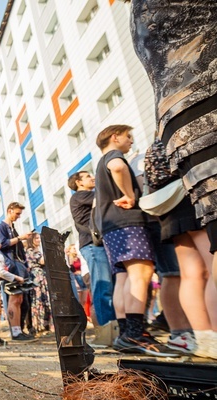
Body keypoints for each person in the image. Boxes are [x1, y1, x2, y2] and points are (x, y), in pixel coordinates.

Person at [129, 0, 217, 359]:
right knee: (205, 268)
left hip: (171, 210)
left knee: (188, 273)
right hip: (183, 202)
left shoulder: (159, 143)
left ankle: (202, 338)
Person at [94, 125, 178, 357]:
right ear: (115, 137)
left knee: (123, 279)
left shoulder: (99, 164)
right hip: (128, 222)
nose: (131, 141)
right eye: (128, 136)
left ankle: (125, 334)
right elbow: (118, 167)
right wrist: (130, 195)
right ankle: (135, 334)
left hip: (111, 227)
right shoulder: (114, 156)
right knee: (140, 274)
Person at [67, 170, 116, 329]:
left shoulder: (86, 196)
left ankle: (112, 328)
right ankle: (107, 330)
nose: (93, 178)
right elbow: (106, 195)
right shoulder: (80, 196)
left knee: (107, 287)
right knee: (103, 287)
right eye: (88, 176)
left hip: (97, 244)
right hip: (92, 245)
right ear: (79, 183)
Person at [0, 202, 34, 341]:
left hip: (19, 265)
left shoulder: (12, 228)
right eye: (17, 213)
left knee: (20, 299)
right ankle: (16, 332)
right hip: (11, 266)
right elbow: (1, 244)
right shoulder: (1, 227)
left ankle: (19, 330)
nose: (18, 216)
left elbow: (17, 248)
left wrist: (25, 263)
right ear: (9, 210)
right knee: (14, 298)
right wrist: (20, 238)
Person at [25, 232, 52, 334]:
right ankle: (39, 326)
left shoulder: (37, 250)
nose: (38, 240)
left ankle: (46, 325)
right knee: (38, 300)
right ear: (31, 240)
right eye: (36, 238)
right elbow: (42, 261)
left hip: (42, 275)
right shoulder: (30, 251)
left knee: (45, 300)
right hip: (36, 277)